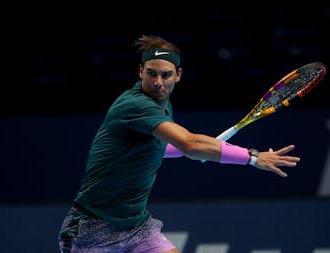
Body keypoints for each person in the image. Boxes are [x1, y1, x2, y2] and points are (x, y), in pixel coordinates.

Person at [58, 35, 300, 253]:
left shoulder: (162, 105)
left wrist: (197, 151)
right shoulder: (134, 104)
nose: (159, 82)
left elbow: (163, 148)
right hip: (92, 230)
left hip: (137, 227)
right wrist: (253, 157)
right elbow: (190, 143)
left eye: (166, 75)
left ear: (178, 75)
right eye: (152, 73)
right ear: (140, 71)